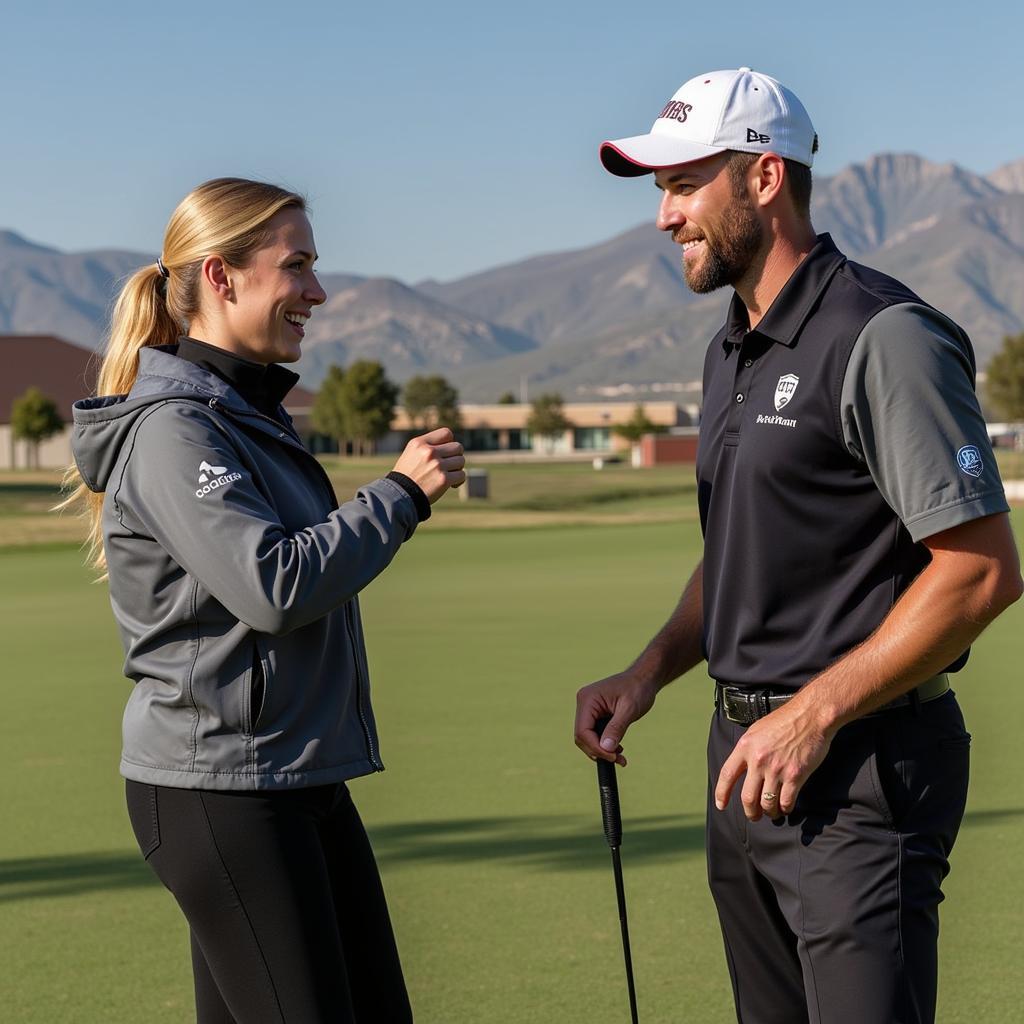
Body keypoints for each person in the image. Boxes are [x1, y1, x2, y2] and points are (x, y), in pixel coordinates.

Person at [575, 68, 1023, 1023]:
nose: (665, 218)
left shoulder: (882, 334)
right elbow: (746, 551)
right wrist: (651, 670)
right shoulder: (729, 346)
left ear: (766, 178)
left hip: (859, 773)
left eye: (685, 185)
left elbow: (982, 569)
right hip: (743, 767)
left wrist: (813, 713)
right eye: (662, 190)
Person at [66, 177, 465, 1022]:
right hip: (223, 790)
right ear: (222, 277)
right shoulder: (177, 428)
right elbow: (272, 584)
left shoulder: (242, 416)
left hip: (292, 776)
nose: (317, 292)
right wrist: (398, 495)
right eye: (299, 266)